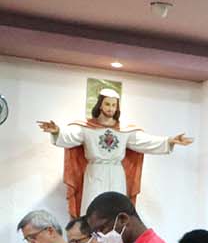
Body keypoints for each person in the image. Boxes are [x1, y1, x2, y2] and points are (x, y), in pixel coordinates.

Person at [38, 87, 194, 218]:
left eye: (114, 105)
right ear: (100, 104)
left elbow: (146, 142)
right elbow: (69, 136)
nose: (111, 108)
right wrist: (57, 131)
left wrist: (169, 141)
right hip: (95, 172)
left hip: (117, 173)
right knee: (92, 208)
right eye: (107, 104)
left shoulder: (125, 130)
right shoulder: (86, 128)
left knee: (117, 209)